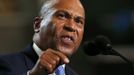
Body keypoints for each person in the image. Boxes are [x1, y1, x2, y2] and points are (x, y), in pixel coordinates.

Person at [0, 0, 85, 75]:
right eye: (62, 16)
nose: (71, 26)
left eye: (78, 21)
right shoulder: (4, 64)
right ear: (37, 25)